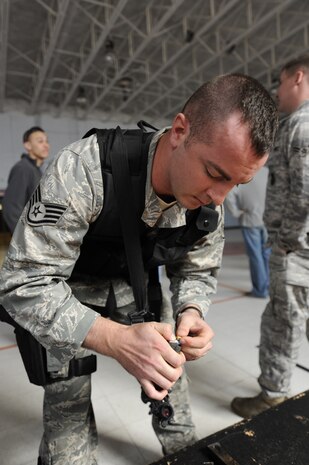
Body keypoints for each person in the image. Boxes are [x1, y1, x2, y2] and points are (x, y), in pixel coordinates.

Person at [0, 74, 278, 464]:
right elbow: (23, 282)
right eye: (215, 174)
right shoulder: (86, 169)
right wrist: (115, 339)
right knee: (67, 434)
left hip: (138, 292)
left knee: (176, 410)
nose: (220, 197)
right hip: (67, 297)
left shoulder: (210, 200)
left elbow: (197, 269)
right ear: (180, 130)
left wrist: (191, 312)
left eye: (236, 183)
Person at [231, 54, 309, 419]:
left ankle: (273, 394)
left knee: (281, 322)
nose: (277, 92)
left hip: (298, 254)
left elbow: (305, 193)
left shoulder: (301, 127)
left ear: (298, 78)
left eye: (279, 83)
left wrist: (287, 241)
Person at [224, 166, 271, 298]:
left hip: (250, 220)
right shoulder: (267, 171)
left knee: (255, 256)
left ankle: (260, 290)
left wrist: (236, 212)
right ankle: (269, 287)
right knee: (267, 254)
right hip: (268, 219)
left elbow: (229, 194)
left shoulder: (244, 173)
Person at [2, 126, 50, 233]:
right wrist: (24, 239)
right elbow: (12, 208)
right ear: (28, 145)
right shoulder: (23, 168)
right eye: (40, 141)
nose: (46, 145)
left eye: (47, 141)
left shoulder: (36, 170)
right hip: (30, 243)